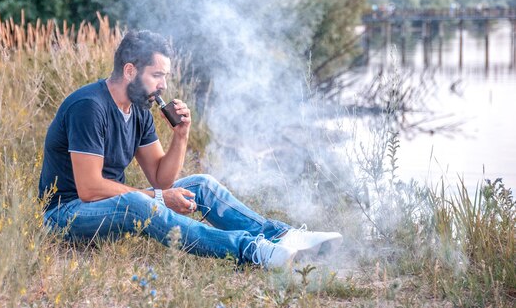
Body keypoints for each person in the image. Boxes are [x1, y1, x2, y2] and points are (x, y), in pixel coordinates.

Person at [39, 30, 342, 269]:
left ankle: (282, 236)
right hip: (65, 214)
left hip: (112, 207)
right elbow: (90, 189)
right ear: (130, 70)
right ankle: (250, 250)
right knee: (139, 204)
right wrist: (159, 198)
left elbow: (161, 179)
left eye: (166, 77)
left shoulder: (140, 110)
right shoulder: (90, 107)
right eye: (157, 76)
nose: (163, 87)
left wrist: (181, 136)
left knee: (202, 185)